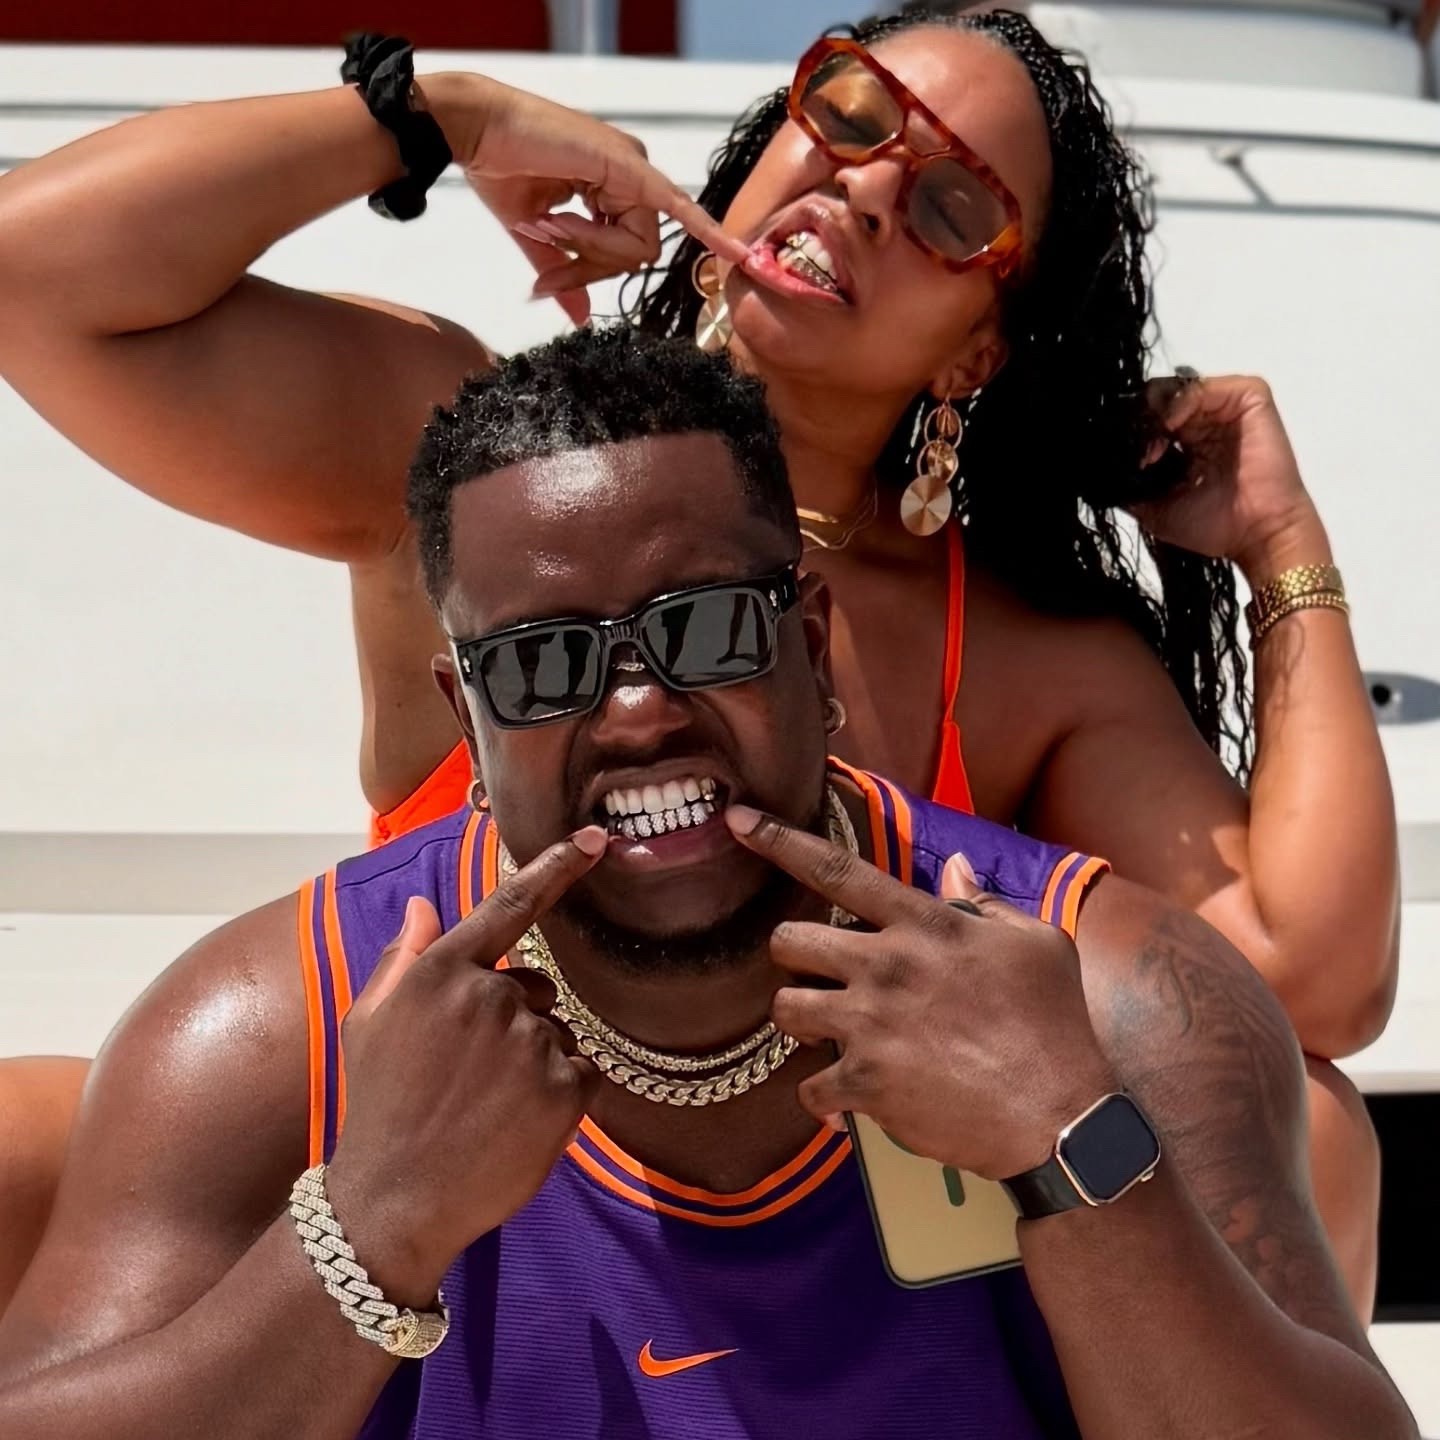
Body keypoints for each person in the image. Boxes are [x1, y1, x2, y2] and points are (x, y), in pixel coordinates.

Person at [0, 6, 1393, 1310]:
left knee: (1312, 1130)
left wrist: (1280, 549)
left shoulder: (1017, 650)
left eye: (951, 209)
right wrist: (445, 112)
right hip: (456, 1194)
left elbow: (1313, 986)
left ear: (978, 352)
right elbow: (36, 275)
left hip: (838, 1272)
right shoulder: (480, 468)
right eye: (852, 113)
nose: (862, 190)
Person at [0, 329, 1414, 1440]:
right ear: (469, 711)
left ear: (808, 635)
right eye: (544, 662)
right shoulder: (282, 1030)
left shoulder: (1108, 999)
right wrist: (372, 1226)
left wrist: (1070, 1142)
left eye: (702, 631)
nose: (634, 713)